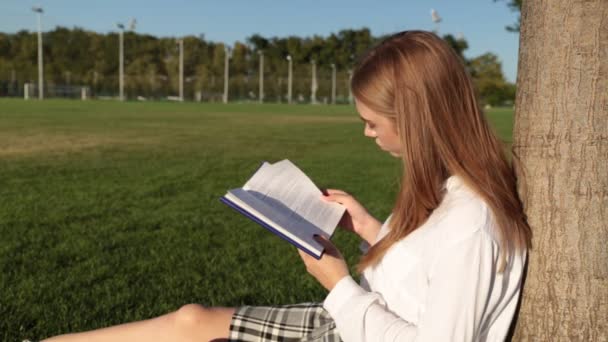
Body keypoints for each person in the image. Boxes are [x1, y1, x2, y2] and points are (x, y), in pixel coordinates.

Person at [41, 30, 531, 342]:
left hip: (352, 325)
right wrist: (367, 229)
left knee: (192, 328)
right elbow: (422, 281)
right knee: (191, 319)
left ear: (417, 120)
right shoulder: (450, 191)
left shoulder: (471, 221)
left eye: (373, 122)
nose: (367, 133)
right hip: (356, 322)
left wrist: (337, 284)